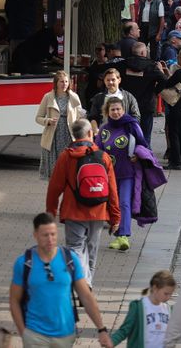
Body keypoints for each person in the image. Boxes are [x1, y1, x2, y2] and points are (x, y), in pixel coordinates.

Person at [9, 213, 112, 348]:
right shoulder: (24, 263)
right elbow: (14, 300)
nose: (50, 239)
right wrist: (24, 332)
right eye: (45, 235)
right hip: (35, 335)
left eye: (53, 234)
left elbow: (86, 296)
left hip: (65, 335)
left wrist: (101, 329)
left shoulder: (69, 259)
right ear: (35, 235)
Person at [45, 119, 121, 285]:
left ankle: (80, 283)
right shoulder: (103, 156)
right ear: (90, 134)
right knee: (92, 249)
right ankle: (88, 283)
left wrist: (51, 212)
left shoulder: (66, 156)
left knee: (75, 248)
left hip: (73, 211)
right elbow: (113, 190)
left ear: (74, 135)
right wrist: (115, 217)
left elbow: (54, 188)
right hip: (98, 211)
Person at [95, 97, 151, 252]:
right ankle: (117, 234)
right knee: (113, 204)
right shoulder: (104, 129)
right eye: (112, 109)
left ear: (123, 110)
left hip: (128, 172)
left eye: (118, 109)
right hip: (109, 175)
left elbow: (143, 144)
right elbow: (97, 149)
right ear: (107, 111)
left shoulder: (132, 126)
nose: (116, 112)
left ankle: (124, 235)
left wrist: (138, 154)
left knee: (124, 203)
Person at [36, 70, 85, 180]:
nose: (64, 84)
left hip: (69, 135)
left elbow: (80, 116)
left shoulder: (74, 97)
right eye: (61, 82)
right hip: (53, 136)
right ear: (56, 83)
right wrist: (47, 121)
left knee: (69, 169)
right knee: (54, 172)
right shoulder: (48, 97)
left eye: (66, 81)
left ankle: (67, 194)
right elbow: (38, 118)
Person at [111, 270, 176, 348]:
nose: (168, 297)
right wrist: (112, 341)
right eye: (166, 294)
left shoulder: (168, 309)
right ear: (155, 288)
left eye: (170, 294)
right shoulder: (138, 307)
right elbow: (125, 329)